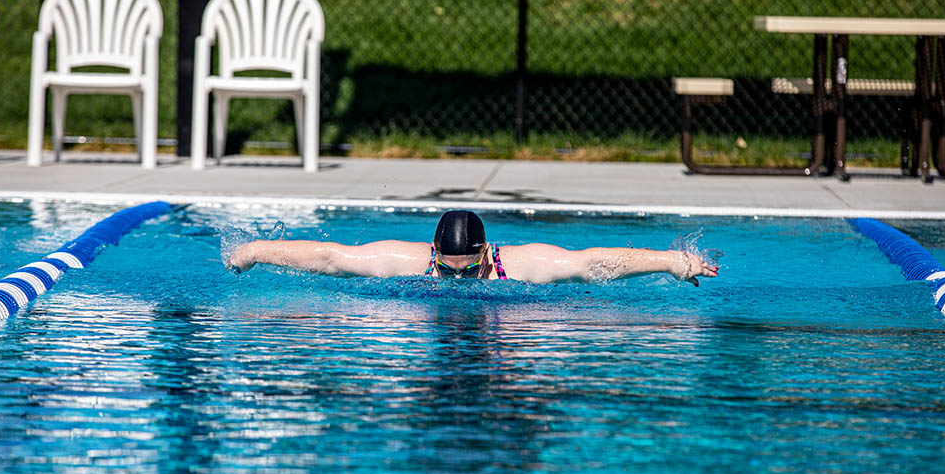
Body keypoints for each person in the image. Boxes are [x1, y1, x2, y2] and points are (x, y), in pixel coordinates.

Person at [226, 210, 719, 286]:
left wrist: (672, 263)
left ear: (487, 254)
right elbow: (330, 255)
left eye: (468, 270)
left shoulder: (521, 264)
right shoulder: (410, 260)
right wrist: (255, 250)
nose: (458, 280)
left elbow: (592, 262)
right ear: (434, 254)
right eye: (448, 269)